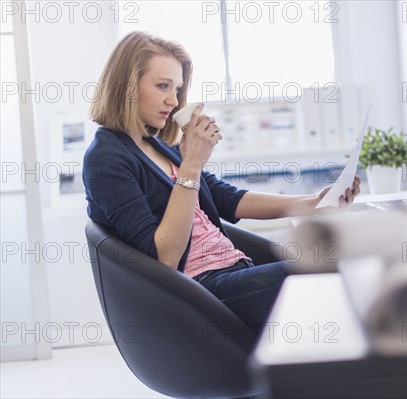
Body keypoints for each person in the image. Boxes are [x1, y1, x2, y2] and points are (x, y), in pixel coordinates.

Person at [83, 31, 361, 333]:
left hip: (235, 268)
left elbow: (227, 198)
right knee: (331, 274)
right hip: (201, 291)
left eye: (176, 89)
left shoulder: (156, 145)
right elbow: (163, 258)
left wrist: (310, 204)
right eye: (162, 86)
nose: (173, 101)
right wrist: (191, 163)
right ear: (127, 87)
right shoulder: (106, 160)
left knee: (341, 265)